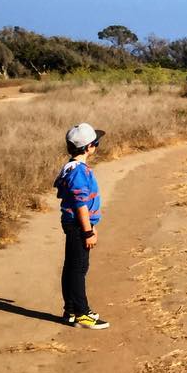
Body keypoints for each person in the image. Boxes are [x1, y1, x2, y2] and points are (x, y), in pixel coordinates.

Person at [54, 122, 110, 330]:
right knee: (78, 268)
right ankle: (81, 312)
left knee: (73, 267)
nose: (96, 146)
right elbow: (80, 205)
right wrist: (88, 230)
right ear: (89, 147)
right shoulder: (79, 172)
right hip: (78, 225)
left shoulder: (72, 167)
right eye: (95, 142)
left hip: (75, 224)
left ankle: (70, 310)